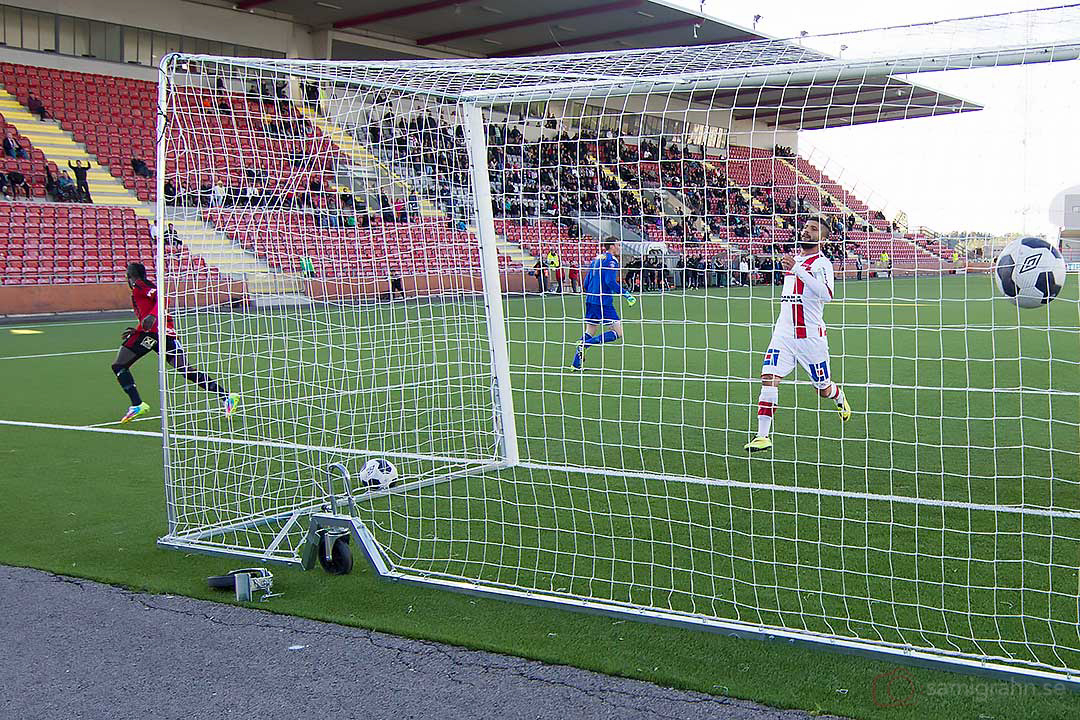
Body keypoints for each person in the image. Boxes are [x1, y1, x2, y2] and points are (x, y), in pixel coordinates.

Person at [745, 218, 851, 453]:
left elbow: (826, 294)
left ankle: (838, 395)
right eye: (806, 227)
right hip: (783, 334)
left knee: (822, 389)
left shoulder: (822, 263)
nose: (807, 231)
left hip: (810, 337)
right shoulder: (795, 260)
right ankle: (762, 436)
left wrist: (796, 269)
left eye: (814, 229)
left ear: (823, 239)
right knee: (769, 377)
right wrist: (794, 267)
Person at [112, 262, 237, 423]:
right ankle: (227, 397)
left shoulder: (140, 285)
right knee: (186, 370)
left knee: (119, 366)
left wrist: (152, 316)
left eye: (128, 276)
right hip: (166, 334)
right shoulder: (142, 288)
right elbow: (149, 312)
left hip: (152, 334)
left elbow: (162, 298)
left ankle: (137, 404)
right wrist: (137, 330)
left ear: (131, 276)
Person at [570, 239, 636, 371]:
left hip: (590, 300)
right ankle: (586, 343)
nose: (619, 248)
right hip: (603, 302)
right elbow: (610, 281)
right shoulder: (611, 261)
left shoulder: (597, 259)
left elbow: (587, 282)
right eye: (618, 245)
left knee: (590, 330)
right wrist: (626, 294)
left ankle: (575, 364)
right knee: (618, 332)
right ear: (611, 246)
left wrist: (591, 292)